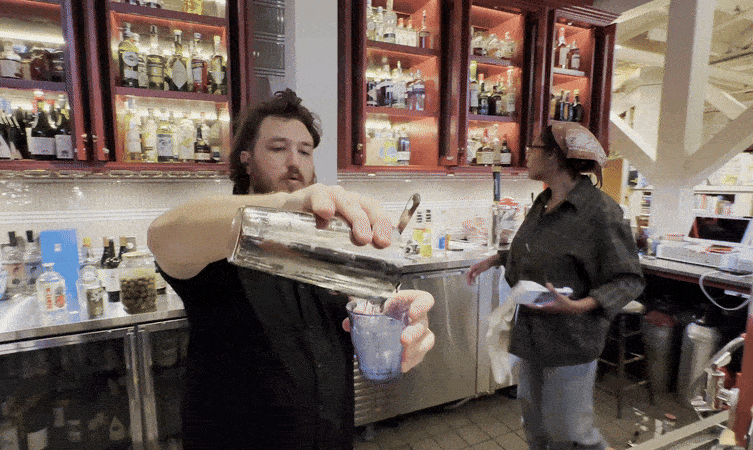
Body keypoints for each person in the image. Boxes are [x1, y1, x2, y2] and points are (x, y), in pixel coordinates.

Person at [147, 89, 435, 449]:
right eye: (278, 148)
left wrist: (400, 321)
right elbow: (163, 236)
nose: (294, 161)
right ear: (247, 159)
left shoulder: (328, 243)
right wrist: (283, 206)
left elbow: (368, 313)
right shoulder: (217, 234)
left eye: (304, 151)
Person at [465, 122, 644, 450]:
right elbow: (537, 249)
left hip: (570, 340)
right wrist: (497, 259)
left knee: (571, 434)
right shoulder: (543, 201)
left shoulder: (601, 212)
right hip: (533, 335)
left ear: (555, 156)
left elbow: (628, 279)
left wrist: (580, 306)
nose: (527, 155)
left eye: (533, 148)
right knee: (536, 426)